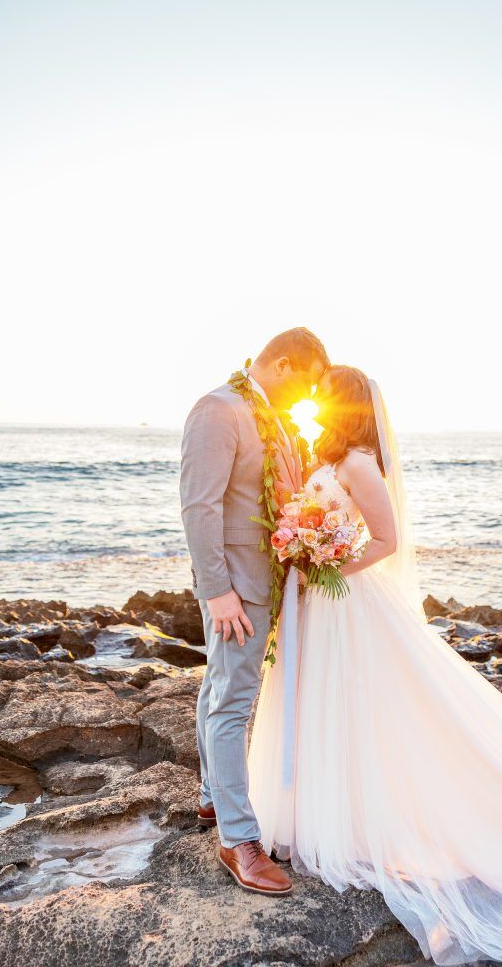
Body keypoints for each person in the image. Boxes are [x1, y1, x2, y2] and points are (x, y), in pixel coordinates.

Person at [247, 365, 502, 963]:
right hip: (319, 602)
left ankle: (377, 816)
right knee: (323, 705)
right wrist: (303, 552)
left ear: (347, 405)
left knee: (370, 708)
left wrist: (328, 566)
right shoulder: (333, 462)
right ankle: (324, 808)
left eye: (326, 397)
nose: (319, 405)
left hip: (347, 603)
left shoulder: (360, 463)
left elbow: (383, 541)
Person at [180, 327, 329, 895]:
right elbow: (199, 505)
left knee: (219, 685)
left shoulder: (272, 416)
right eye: (306, 386)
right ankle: (238, 838)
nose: (307, 399)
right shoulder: (219, 410)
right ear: (284, 365)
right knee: (234, 702)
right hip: (235, 588)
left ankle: (213, 799)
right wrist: (216, 590)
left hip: (265, 582)